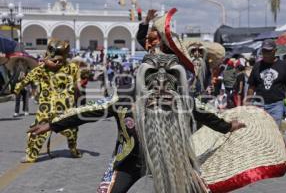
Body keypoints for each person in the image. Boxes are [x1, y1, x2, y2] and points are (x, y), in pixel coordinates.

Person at [28, 54, 245, 193]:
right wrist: (53, 125)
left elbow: (209, 115)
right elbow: (86, 111)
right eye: (154, 76)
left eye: (169, 76)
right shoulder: (123, 99)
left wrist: (229, 126)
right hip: (130, 161)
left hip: (172, 159)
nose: (161, 82)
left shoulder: (185, 101)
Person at [14, 39, 82, 163]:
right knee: (37, 130)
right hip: (46, 107)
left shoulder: (72, 68)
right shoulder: (42, 69)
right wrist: (19, 86)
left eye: (58, 58)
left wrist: (77, 89)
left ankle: (73, 149)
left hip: (65, 107)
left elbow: (78, 83)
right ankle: (31, 155)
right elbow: (29, 77)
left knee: (71, 129)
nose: (55, 61)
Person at [247, 39, 286, 126]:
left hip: (276, 106)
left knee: (275, 130)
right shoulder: (257, 66)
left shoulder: (283, 66)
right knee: (260, 130)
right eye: (264, 51)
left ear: (275, 51)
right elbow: (251, 86)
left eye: (268, 51)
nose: (266, 54)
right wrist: (247, 103)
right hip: (259, 104)